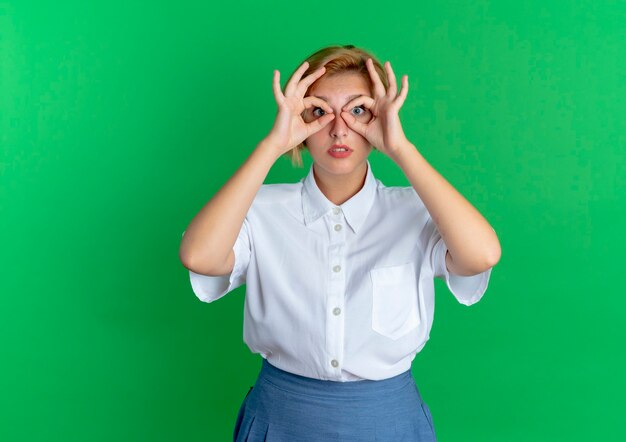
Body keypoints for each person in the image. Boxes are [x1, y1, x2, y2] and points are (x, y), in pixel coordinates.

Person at [179, 44, 501, 441]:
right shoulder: (259, 208)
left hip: (389, 421)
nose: (338, 128)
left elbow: (482, 255)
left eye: (358, 110)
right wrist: (272, 146)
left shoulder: (417, 210)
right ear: (299, 120)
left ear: (379, 117)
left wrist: (401, 149)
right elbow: (199, 256)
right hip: (281, 418)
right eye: (318, 111)